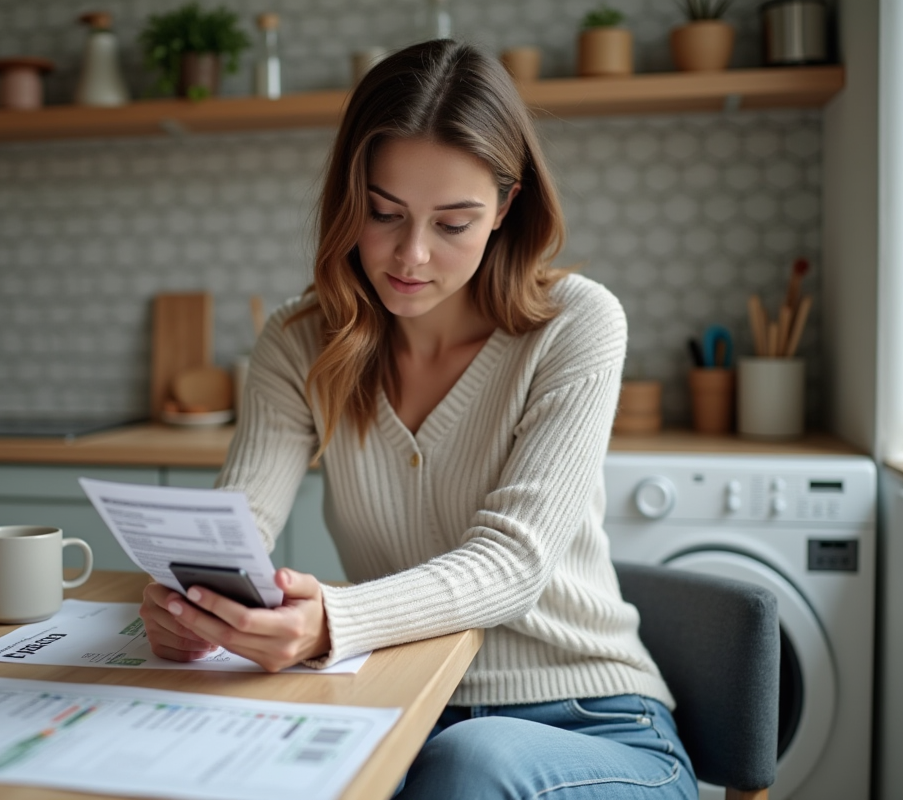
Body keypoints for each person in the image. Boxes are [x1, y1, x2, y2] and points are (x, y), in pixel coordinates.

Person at [139, 38, 698, 799]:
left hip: (589, 724)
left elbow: (512, 566)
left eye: (453, 223)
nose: (412, 255)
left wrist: (332, 618)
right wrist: (191, 601)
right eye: (384, 213)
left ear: (507, 206)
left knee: (467, 771)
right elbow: (236, 520)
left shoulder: (577, 323)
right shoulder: (300, 342)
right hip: (400, 710)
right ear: (350, 198)